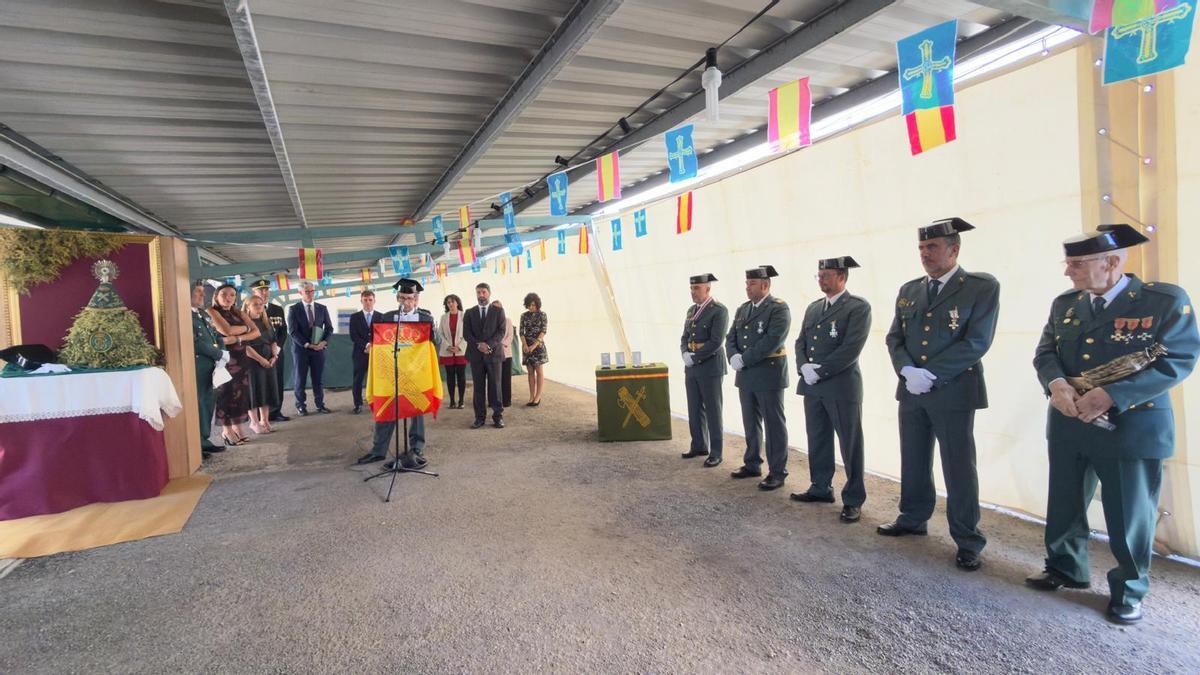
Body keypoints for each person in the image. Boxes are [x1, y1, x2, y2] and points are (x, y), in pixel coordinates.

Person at [1027, 224, 1199, 624]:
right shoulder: (1066, 304)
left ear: (1113, 261)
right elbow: (1045, 353)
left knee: (1129, 514)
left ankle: (1129, 589)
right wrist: (1055, 385)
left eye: (1077, 263)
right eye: (1067, 262)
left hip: (1131, 424)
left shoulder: (1163, 301)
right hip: (1070, 421)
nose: (1068, 272)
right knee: (1065, 500)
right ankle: (1065, 567)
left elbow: (1180, 359)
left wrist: (1114, 395)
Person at [881, 217, 999, 572]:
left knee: (959, 467)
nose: (924, 254)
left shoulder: (980, 287)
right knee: (914, 459)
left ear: (954, 249)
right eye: (921, 248)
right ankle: (913, 517)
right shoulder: (910, 290)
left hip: (954, 390)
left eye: (931, 247)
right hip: (913, 390)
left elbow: (977, 341)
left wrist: (930, 373)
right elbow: (894, 338)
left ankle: (967, 538)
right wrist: (907, 370)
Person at [791, 257, 872, 523]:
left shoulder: (857, 307)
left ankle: (853, 499)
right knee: (818, 438)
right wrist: (804, 368)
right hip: (813, 385)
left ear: (841, 276)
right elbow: (800, 341)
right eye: (819, 275)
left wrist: (820, 371)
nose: (821, 280)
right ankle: (820, 487)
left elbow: (851, 348)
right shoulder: (814, 308)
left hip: (840, 386)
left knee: (850, 444)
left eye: (826, 275)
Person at [355, 278, 436, 469]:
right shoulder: (388, 317)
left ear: (416, 299)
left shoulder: (426, 319)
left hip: (416, 373)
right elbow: (380, 342)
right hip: (392, 372)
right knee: (387, 409)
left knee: (416, 411)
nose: (406, 303)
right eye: (402, 298)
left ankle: (416, 448)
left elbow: (433, 344)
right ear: (398, 298)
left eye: (409, 299)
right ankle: (378, 450)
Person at [726, 265, 791, 490]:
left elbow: (772, 339)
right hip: (746, 375)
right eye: (746, 283)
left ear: (765, 285)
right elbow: (731, 336)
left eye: (751, 283)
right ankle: (752, 462)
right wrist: (733, 355)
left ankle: (777, 471)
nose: (747, 287)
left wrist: (744, 359)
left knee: (773, 424)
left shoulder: (778, 309)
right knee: (750, 422)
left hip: (768, 373)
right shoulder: (743, 309)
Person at [680, 274, 728, 467]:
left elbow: (717, 341)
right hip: (691, 365)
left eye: (697, 288)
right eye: (691, 288)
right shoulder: (692, 310)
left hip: (710, 366)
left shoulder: (718, 310)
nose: (693, 292)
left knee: (713, 410)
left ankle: (716, 451)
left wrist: (696, 356)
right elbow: (684, 336)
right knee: (694, 407)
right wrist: (684, 352)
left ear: (707, 289)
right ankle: (699, 444)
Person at [207, 283, 260, 446]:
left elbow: (256, 332)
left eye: (232, 295)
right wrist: (245, 328)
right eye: (224, 294)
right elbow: (226, 330)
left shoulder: (239, 311)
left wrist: (239, 337)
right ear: (216, 296)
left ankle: (238, 428)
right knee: (226, 394)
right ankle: (226, 431)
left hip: (241, 357)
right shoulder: (211, 311)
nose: (228, 298)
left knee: (240, 394)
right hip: (225, 359)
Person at [287, 280, 334, 415]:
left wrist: (324, 342)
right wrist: (308, 344)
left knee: (318, 379)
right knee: (300, 379)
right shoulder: (293, 309)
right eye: (307, 291)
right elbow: (293, 331)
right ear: (300, 293)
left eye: (312, 291)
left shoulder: (322, 308)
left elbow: (329, 328)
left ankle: (320, 405)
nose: (310, 294)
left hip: (318, 349)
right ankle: (301, 406)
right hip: (301, 350)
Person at [464, 282, 506, 429]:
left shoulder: (498, 311)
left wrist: (488, 345)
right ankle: (479, 418)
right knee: (478, 388)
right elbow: (467, 334)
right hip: (476, 356)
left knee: (496, 387)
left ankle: (497, 417)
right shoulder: (469, 312)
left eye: (483, 292)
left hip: (494, 355)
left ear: (489, 293)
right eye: (478, 292)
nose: (481, 295)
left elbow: (501, 331)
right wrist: (479, 345)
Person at [191, 281, 226, 455]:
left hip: (212, 364)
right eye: (198, 292)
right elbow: (196, 343)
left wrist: (223, 352)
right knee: (200, 403)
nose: (202, 296)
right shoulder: (186, 316)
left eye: (202, 293)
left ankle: (205, 438)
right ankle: (198, 443)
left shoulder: (201, 314)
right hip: (199, 364)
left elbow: (216, 335)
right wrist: (219, 354)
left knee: (208, 401)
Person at [249, 278, 290, 423]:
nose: (264, 293)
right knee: (259, 384)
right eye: (261, 290)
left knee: (276, 381)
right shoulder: (247, 312)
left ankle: (276, 411)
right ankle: (259, 416)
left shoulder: (277, 309)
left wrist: (276, 352)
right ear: (253, 292)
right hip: (255, 355)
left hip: (276, 353)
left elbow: (283, 331)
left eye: (266, 290)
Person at [242, 294, 281, 434]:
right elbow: (245, 347)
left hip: (269, 359)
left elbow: (273, 341)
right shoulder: (244, 324)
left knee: (266, 390)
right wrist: (260, 359)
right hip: (253, 361)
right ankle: (254, 422)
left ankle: (265, 420)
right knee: (254, 391)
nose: (259, 307)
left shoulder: (266, 322)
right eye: (255, 304)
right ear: (247, 307)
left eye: (260, 304)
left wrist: (274, 356)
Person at [349, 290, 382, 414]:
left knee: (378, 379)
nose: (368, 302)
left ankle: (378, 402)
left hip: (377, 353)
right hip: (359, 353)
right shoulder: (354, 317)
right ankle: (357, 404)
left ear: (374, 301)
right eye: (365, 300)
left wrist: (373, 346)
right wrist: (367, 345)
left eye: (370, 300)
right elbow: (353, 336)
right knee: (358, 379)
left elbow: (382, 334)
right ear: (361, 301)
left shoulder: (381, 316)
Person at [437, 294, 468, 409]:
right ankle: (452, 401)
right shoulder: (443, 317)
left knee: (461, 376)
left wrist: (459, 346)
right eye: (448, 302)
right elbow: (440, 333)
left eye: (452, 302)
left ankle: (461, 401)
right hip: (447, 351)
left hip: (461, 351)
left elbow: (468, 333)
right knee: (450, 376)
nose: (450, 304)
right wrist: (448, 345)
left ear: (457, 303)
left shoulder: (464, 316)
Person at [520, 292, 549, 407]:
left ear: (537, 304)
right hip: (526, 346)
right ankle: (531, 396)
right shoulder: (524, 316)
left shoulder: (543, 315)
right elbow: (521, 332)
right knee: (530, 372)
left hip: (538, 347)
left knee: (539, 372)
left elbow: (543, 332)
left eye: (533, 305)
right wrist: (525, 345)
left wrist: (533, 346)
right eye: (529, 305)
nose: (531, 307)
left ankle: (538, 397)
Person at [493, 300, 514, 408]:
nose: (496, 310)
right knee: (495, 379)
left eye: (498, 307)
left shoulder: (508, 321)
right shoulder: (490, 322)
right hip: (494, 354)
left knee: (506, 378)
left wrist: (499, 345)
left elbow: (510, 336)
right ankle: (495, 401)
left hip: (506, 354)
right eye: (494, 308)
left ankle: (507, 401)